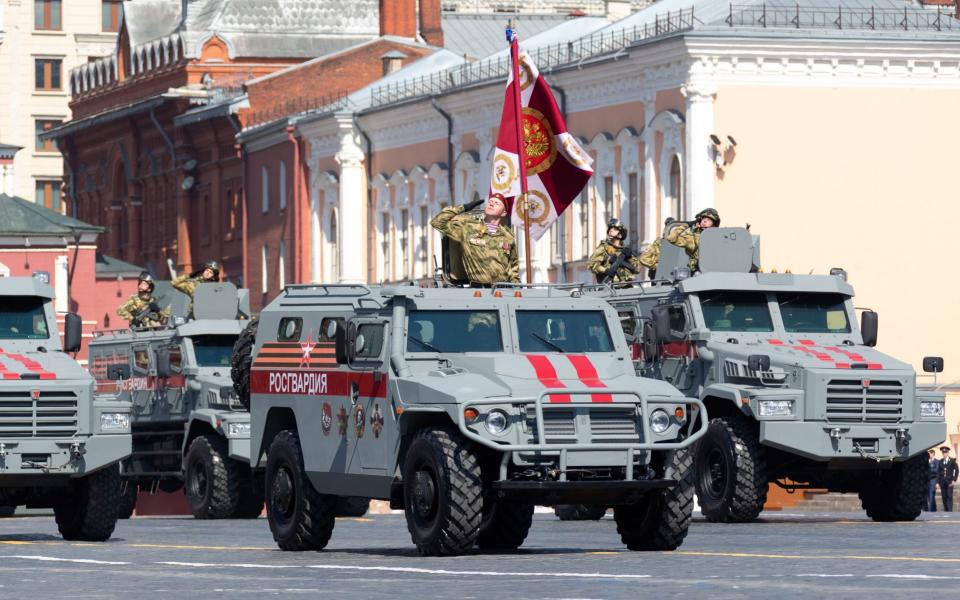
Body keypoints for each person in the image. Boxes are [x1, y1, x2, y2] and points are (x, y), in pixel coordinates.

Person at [430, 194, 519, 286]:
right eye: (490, 202)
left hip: (503, 290)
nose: (491, 204)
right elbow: (437, 222)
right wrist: (464, 207)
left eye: (496, 203)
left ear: (504, 213)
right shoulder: (468, 228)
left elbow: (513, 266)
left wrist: (517, 287)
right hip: (478, 290)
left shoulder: (508, 236)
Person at [638, 208, 721, 275]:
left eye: (709, 220)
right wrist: (687, 225)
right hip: (699, 273)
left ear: (714, 224)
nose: (705, 221)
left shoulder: (719, 238)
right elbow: (671, 239)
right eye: (703, 219)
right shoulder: (692, 238)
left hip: (716, 272)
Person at [587, 218, 643, 283]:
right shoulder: (604, 248)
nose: (611, 230)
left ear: (620, 235)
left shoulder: (626, 251)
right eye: (610, 228)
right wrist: (606, 270)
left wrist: (627, 259)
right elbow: (591, 264)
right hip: (609, 286)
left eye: (615, 229)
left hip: (626, 286)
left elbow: (637, 269)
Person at [939, 446, 958, 512]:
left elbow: (956, 470)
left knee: (949, 496)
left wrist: (954, 480)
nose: (944, 454)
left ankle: (950, 510)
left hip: (950, 481)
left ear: (948, 453)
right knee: (944, 496)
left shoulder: (952, 461)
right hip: (942, 482)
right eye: (943, 453)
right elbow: (938, 472)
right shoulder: (940, 461)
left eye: (945, 452)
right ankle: (946, 509)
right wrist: (937, 482)